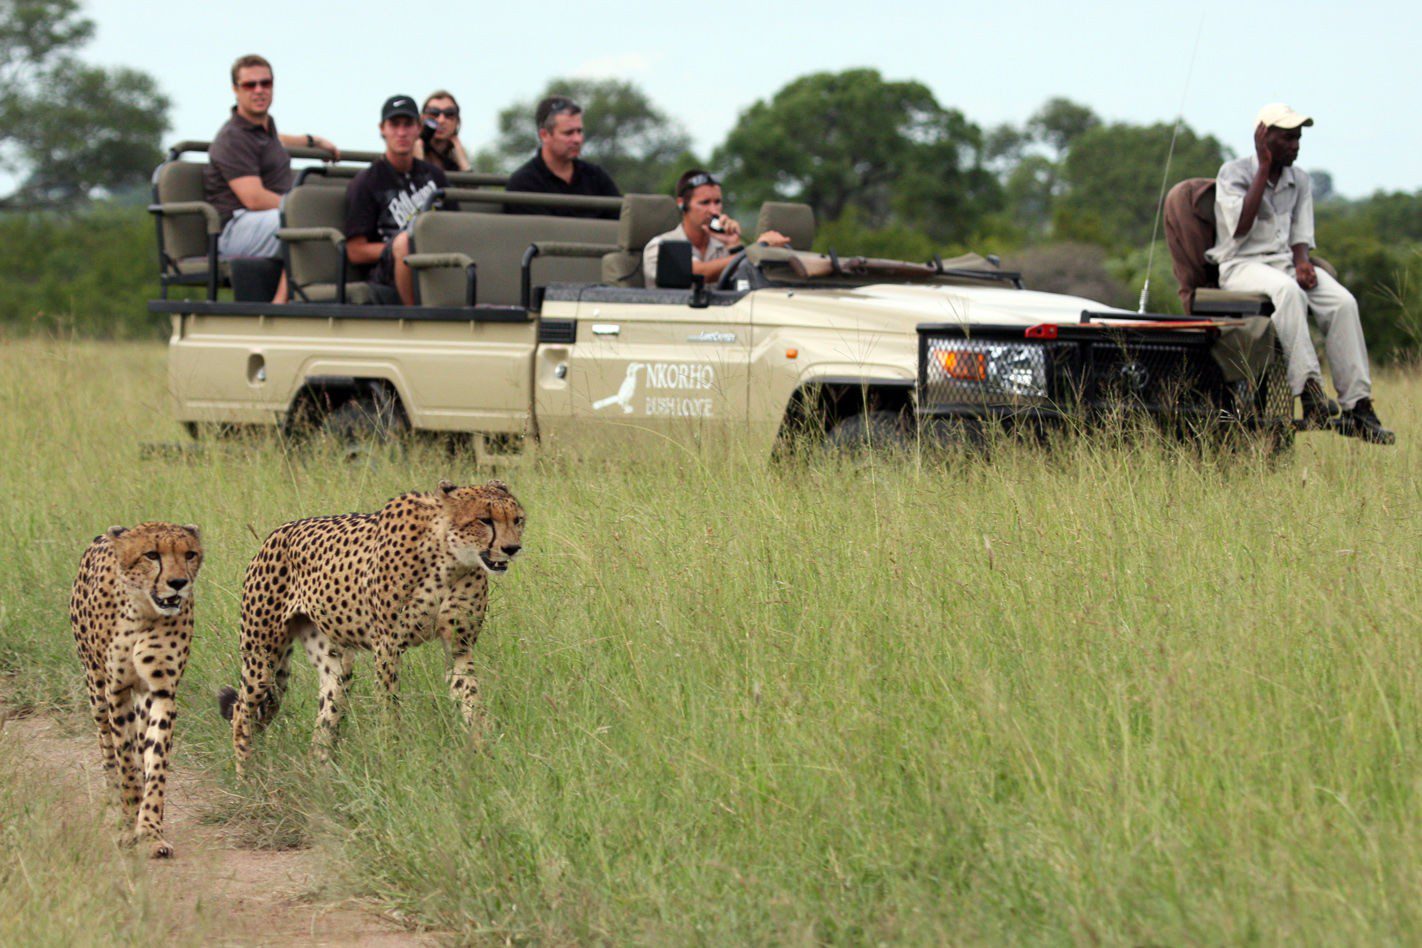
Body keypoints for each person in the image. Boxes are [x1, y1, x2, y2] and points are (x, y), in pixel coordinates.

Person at [1208, 104, 1393, 444]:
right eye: (1287, 138)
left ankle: (1358, 407)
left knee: (1342, 302)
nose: (1295, 146)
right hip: (1241, 265)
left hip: (1283, 264)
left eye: (1298, 138)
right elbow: (1240, 226)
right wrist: (1263, 167)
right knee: (1288, 293)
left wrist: (1304, 262)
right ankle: (1309, 393)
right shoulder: (1233, 173)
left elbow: (1301, 235)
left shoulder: (1300, 179)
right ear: (1264, 139)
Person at [204, 54, 339, 304]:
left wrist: (311, 140)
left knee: (322, 222)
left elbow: (276, 141)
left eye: (265, 84)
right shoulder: (233, 138)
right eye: (250, 85)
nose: (259, 91)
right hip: (234, 227)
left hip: (266, 221)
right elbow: (254, 198)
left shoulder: (265, 129)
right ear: (235, 90)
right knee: (301, 222)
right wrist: (300, 208)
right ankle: (280, 303)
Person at [344, 95, 457, 306]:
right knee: (405, 242)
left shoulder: (436, 176)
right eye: (394, 125)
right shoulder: (366, 182)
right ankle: (414, 317)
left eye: (408, 125)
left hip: (435, 257)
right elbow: (355, 251)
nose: (402, 132)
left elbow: (455, 224)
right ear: (382, 129)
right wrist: (402, 247)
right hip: (388, 269)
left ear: (419, 128)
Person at [643, 169, 790, 287]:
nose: (714, 211)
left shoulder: (723, 248)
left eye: (717, 202)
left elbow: (746, 283)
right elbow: (698, 272)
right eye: (705, 203)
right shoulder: (659, 246)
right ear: (682, 204)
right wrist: (757, 249)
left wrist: (734, 245)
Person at [505, 96, 620, 218]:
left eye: (579, 131)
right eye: (568, 133)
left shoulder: (596, 177)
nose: (577, 139)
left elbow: (622, 220)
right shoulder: (524, 185)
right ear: (544, 135)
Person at [413, 90, 471, 173]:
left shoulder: (455, 161)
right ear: (422, 119)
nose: (441, 120)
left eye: (449, 114)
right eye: (434, 113)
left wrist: (464, 164)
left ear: (457, 122)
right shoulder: (406, 153)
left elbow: (471, 185)